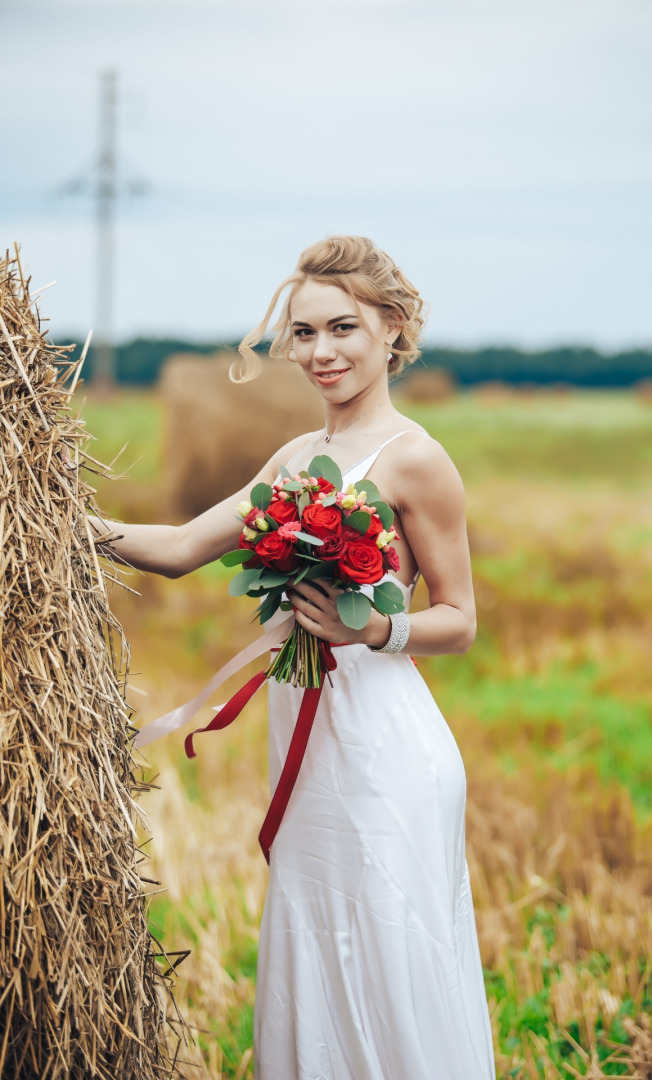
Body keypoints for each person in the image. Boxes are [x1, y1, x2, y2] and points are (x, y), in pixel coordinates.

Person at [93, 236, 496, 1079]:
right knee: (316, 935)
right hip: (308, 748)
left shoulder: (416, 459)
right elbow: (174, 547)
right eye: (303, 333)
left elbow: (458, 619)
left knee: (388, 947)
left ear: (391, 328)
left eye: (341, 328)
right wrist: (44, 512)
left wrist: (371, 630)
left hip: (385, 744)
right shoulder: (293, 460)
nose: (320, 352)